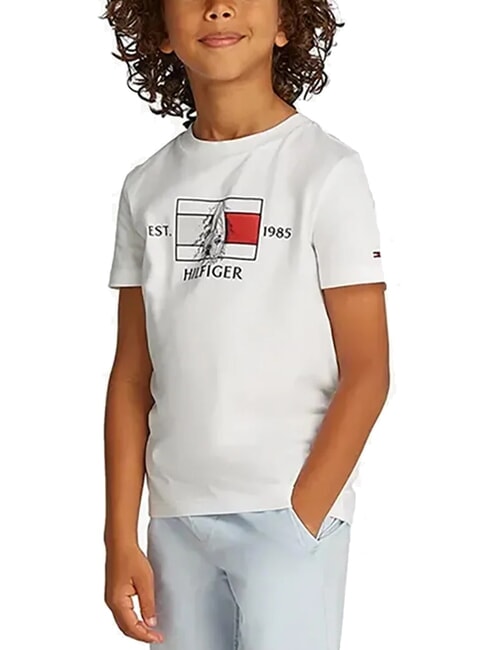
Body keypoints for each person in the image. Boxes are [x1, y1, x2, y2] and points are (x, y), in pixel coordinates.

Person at [102, 1, 390, 649]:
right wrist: (120, 535)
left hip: (286, 513)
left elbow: (368, 368)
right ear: (161, 30)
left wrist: (302, 513)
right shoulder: (146, 187)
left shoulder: (325, 171)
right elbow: (132, 376)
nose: (219, 7)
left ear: (286, 23)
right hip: (175, 519)